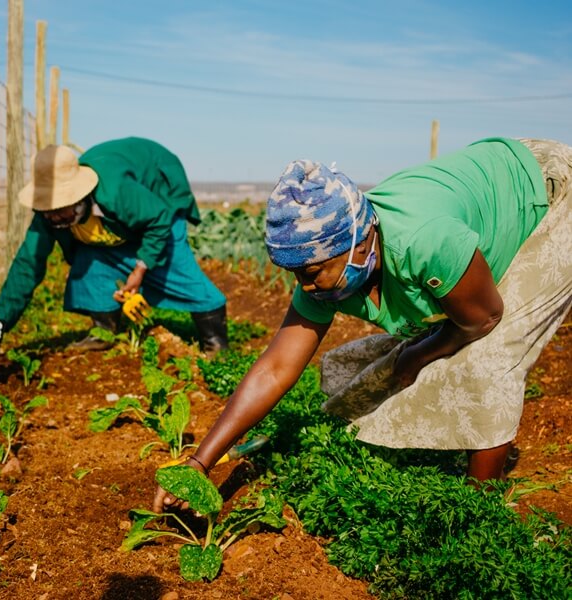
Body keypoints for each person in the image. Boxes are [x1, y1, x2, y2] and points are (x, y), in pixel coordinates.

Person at [154, 137, 572, 511]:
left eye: (313, 270)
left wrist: (418, 352)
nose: (305, 285)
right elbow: (275, 368)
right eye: (295, 272)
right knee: (422, 345)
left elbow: (486, 317)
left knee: (486, 357)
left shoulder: (424, 241)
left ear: (359, 240)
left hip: (550, 192)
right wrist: (198, 462)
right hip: (489, 193)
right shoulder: (324, 273)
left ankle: (478, 511)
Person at [0, 137, 229, 355]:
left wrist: (140, 269)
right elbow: (28, 262)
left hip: (158, 195)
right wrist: (0, 321)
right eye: (48, 210)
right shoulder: (49, 216)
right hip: (128, 210)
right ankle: (104, 331)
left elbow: (158, 218)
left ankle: (215, 342)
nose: (54, 217)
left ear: (80, 196)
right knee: (90, 260)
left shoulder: (116, 192)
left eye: (61, 208)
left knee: (173, 263)